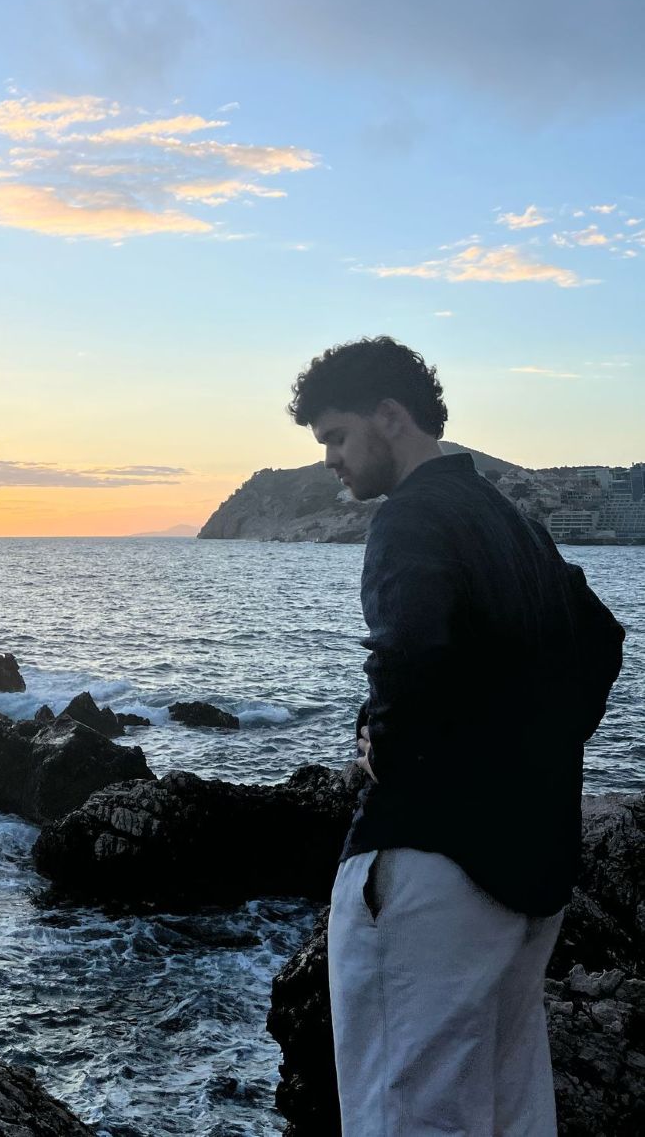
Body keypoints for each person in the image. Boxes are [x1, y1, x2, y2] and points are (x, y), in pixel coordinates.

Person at [287, 336, 624, 1135]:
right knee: (508, 1114)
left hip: (430, 870)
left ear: (390, 416)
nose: (331, 458)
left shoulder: (411, 518)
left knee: (408, 1113)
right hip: (526, 875)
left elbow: (412, 653)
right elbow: (600, 640)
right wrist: (533, 749)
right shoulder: (510, 520)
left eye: (336, 435)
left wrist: (385, 741)